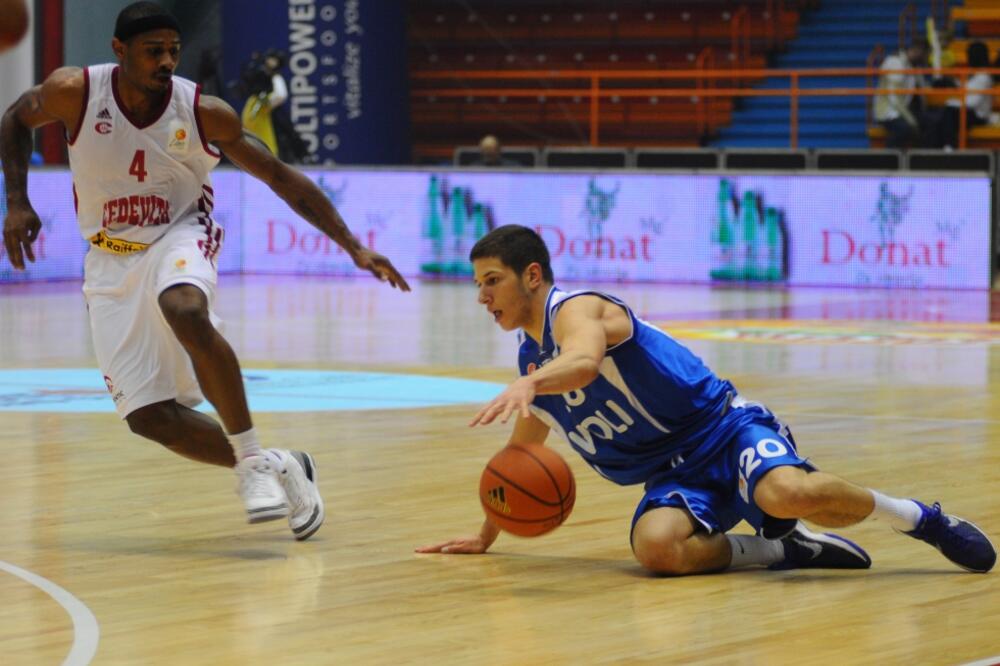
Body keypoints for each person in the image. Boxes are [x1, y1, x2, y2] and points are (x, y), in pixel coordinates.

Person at [1, 2, 411, 540]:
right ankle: (277, 463)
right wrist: (16, 200)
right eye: (154, 51)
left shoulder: (203, 111)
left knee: (185, 309)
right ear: (119, 51)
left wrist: (354, 246)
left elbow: (279, 176)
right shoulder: (73, 91)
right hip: (109, 257)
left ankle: (249, 460)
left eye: (174, 50)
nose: (168, 61)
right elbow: (13, 119)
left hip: (181, 230)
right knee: (150, 419)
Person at [417, 225, 996, 575]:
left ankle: (919, 518)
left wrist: (531, 383)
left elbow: (586, 360)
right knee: (656, 551)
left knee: (789, 492)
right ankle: (782, 553)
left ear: (533, 275)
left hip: (722, 429)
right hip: (672, 472)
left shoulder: (578, 309)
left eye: (491, 280)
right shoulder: (531, 359)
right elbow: (523, 454)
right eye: (477, 285)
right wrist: (492, 527)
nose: (482, 296)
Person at [873, 39, 929, 149]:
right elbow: (894, 98)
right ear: (918, 51)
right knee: (905, 128)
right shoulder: (895, 63)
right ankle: (888, 160)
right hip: (888, 112)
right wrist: (910, 119)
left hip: (903, 110)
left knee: (930, 123)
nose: (925, 59)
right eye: (925, 55)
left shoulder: (913, 66)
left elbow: (923, 87)